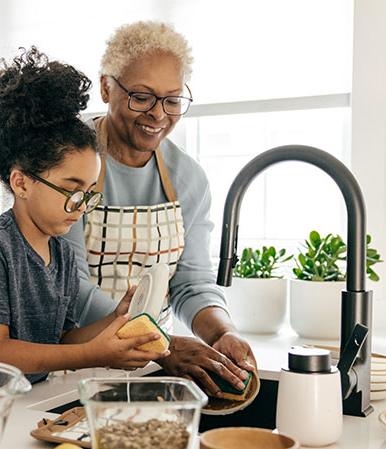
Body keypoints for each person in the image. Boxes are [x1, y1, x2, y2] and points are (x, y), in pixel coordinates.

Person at [0, 47, 167, 384]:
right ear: (21, 182)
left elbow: (60, 341)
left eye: (88, 193)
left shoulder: (62, 254)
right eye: (71, 190)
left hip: (8, 399)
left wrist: (114, 320)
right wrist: (94, 355)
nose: (80, 206)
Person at [62, 21, 257, 397]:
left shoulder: (188, 178)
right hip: (70, 364)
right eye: (141, 96)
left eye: (172, 99)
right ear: (106, 87)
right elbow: (71, 289)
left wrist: (223, 332)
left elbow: (191, 284)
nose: (158, 114)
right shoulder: (68, 163)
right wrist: (160, 343)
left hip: (150, 367)